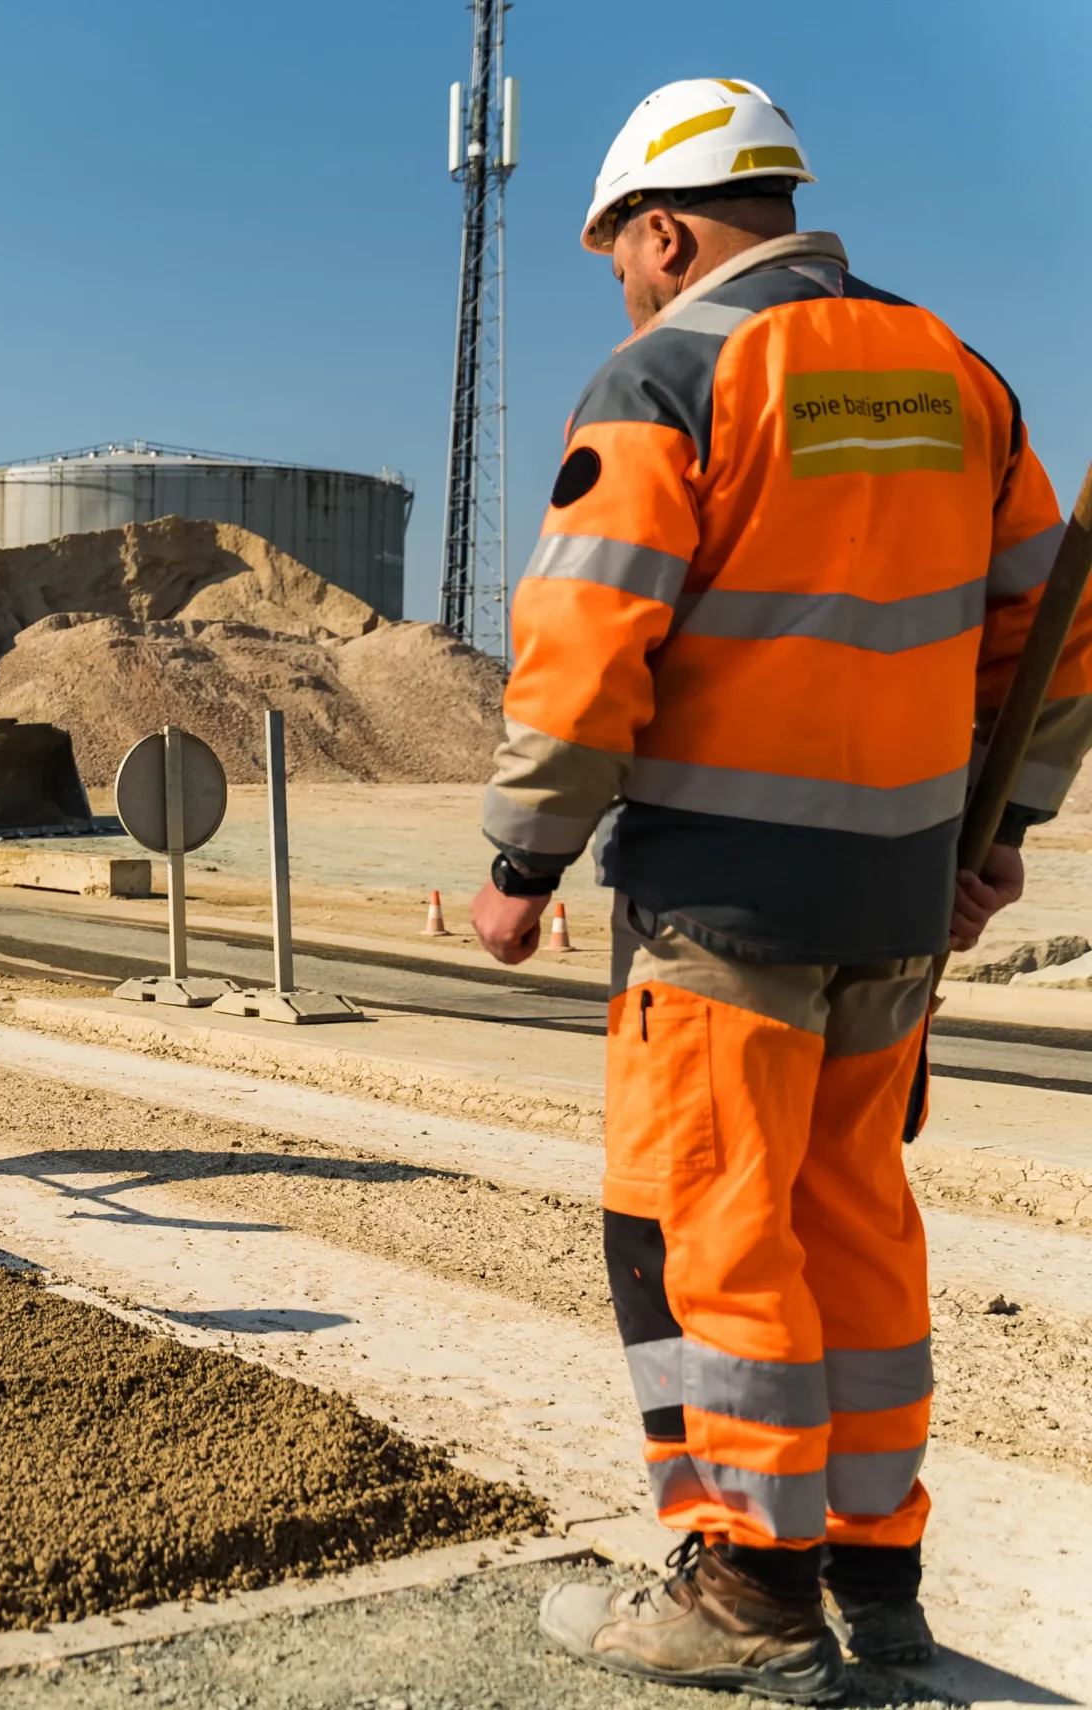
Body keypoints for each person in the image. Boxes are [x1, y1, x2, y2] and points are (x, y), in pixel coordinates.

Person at [473, 80, 1092, 1698]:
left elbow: (587, 642)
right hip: (896, 913)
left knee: (715, 1236)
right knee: (858, 1238)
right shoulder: (964, 379)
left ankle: (748, 1592)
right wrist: (998, 826)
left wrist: (524, 857)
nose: (625, 281)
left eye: (620, 252)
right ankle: (878, 1586)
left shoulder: (671, 372)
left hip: (722, 914)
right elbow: (1058, 640)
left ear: (665, 230)